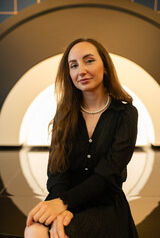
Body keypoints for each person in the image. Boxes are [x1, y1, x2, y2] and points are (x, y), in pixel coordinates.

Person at [24, 38, 139, 238]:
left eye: (89, 61)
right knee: (34, 230)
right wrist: (60, 205)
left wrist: (64, 204)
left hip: (104, 201)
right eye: (73, 65)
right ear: (69, 74)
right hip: (64, 196)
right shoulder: (65, 113)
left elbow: (108, 175)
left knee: (66, 232)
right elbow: (56, 172)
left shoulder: (126, 113)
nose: (81, 71)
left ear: (105, 67)